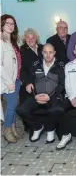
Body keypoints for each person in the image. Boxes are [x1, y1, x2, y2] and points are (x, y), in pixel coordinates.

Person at [16, 43, 65, 143]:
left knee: (57, 109)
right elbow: (29, 78)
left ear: (54, 53)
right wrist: (30, 86)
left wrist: (49, 96)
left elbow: (62, 85)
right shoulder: (36, 65)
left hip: (53, 96)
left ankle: (51, 129)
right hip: (36, 96)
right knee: (20, 109)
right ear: (42, 53)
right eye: (45, 52)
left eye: (50, 52)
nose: (48, 55)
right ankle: (37, 127)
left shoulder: (60, 66)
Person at [1, 14, 22, 143]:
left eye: (12, 23)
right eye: (7, 23)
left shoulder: (13, 42)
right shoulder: (0, 42)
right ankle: (6, 129)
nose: (10, 25)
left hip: (17, 79)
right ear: (2, 25)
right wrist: (9, 83)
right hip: (7, 81)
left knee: (13, 105)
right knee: (12, 105)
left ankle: (13, 128)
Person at [20, 28, 43, 104]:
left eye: (33, 37)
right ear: (25, 39)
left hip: (43, 82)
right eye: (28, 37)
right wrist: (27, 83)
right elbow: (22, 69)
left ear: (36, 38)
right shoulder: (22, 50)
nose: (30, 40)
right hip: (30, 84)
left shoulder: (42, 48)